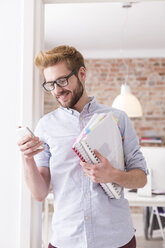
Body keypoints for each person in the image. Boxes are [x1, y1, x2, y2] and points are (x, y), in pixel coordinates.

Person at [17, 45, 148, 248]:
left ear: (82, 73)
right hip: (66, 239)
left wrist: (112, 175)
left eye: (62, 80)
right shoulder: (46, 125)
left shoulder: (117, 119)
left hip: (116, 239)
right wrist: (27, 159)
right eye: (50, 84)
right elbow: (39, 193)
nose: (57, 90)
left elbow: (141, 178)